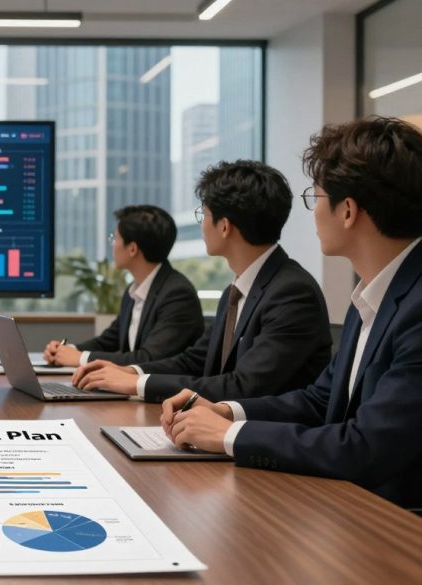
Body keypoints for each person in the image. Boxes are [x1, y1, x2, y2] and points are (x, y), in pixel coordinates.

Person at [161, 117, 422, 510]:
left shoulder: (416, 306)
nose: (313, 214)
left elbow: (366, 447)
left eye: (315, 198)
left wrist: (229, 437)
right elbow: (321, 400)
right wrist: (226, 412)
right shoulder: (375, 293)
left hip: (396, 527)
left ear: (347, 210)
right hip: (352, 506)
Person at [73, 160, 331, 403]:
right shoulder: (236, 291)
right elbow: (194, 360)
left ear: (225, 226)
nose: (202, 225)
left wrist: (137, 384)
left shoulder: (291, 293)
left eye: (204, 215)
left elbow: (244, 386)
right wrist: (131, 372)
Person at [43, 205, 203, 367]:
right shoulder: (133, 291)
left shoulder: (177, 294)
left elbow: (149, 358)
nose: (113, 245)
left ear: (132, 249)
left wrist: (80, 358)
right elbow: (108, 341)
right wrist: (66, 350)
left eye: (115, 238)